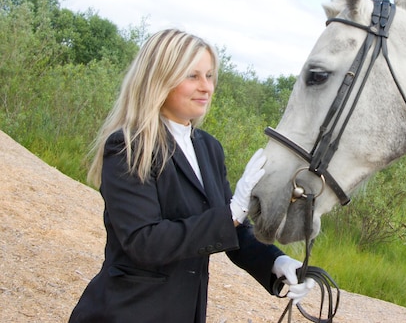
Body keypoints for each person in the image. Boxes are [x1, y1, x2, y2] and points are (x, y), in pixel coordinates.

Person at [69, 29, 313, 322]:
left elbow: (232, 231)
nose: (206, 87)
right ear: (160, 79)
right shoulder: (128, 146)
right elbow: (145, 241)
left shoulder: (209, 148)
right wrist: (233, 210)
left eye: (209, 76)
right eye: (192, 76)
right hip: (125, 312)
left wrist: (276, 262)